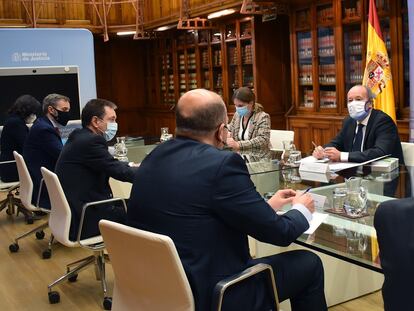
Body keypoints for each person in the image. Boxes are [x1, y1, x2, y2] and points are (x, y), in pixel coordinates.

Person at [127, 89, 327, 311]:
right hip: (216, 291)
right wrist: (301, 210)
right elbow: (280, 233)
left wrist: (265, 207)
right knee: (310, 264)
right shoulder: (222, 164)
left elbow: (199, 211)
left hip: (158, 285)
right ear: (221, 131)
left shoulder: (154, 156)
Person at [55, 99, 137, 241]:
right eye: (111, 120)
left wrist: (130, 166)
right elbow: (118, 172)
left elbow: (108, 163)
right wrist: (150, 175)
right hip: (88, 215)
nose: (115, 124)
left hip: (77, 208)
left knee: (134, 203)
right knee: (145, 209)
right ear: (95, 121)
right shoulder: (91, 141)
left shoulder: (79, 135)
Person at [313, 85, 404, 164]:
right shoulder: (349, 121)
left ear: (370, 104)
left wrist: (342, 156)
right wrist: (323, 150)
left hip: (386, 177)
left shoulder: (383, 121)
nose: (353, 103)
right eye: (350, 100)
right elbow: (337, 142)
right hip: (354, 174)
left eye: (358, 99)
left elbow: (380, 152)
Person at [23, 93, 71, 209]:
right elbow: (62, 155)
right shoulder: (45, 129)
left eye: (68, 110)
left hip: (40, 177)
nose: (67, 113)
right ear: (51, 109)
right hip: (44, 185)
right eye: (64, 109)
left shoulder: (41, 123)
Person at [0, 95, 41, 182]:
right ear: (27, 110)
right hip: (12, 169)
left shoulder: (13, 120)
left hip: (9, 167)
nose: (34, 115)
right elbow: (27, 145)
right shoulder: (16, 123)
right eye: (33, 112)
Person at [226, 87, 272, 160]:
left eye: (240, 106)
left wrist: (239, 144)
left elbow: (263, 140)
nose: (237, 108)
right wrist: (227, 134)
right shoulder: (237, 115)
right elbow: (230, 129)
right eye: (235, 105)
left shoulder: (262, 117)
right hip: (240, 157)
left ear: (251, 103)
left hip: (259, 160)